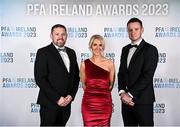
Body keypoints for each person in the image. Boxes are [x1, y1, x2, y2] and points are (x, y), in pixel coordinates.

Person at [34, 24, 80, 126]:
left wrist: (71, 95)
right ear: (51, 36)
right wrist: (57, 98)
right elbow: (40, 79)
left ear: (66, 36)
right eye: (57, 34)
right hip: (49, 104)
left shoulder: (72, 53)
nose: (60, 37)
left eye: (63, 34)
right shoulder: (43, 52)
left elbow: (76, 77)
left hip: (66, 105)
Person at [118, 17, 158, 126]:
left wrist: (130, 95)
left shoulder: (151, 49)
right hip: (126, 102)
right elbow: (121, 73)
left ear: (142, 30)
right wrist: (122, 93)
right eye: (130, 30)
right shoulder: (125, 49)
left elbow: (147, 76)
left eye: (136, 29)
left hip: (143, 101)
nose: (133, 32)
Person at [80, 34, 115, 126]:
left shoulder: (110, 64)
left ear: (103, 47)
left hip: (104, 104)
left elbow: (111, 85)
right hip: (88, 104)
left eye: (100, 45)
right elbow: (84, 84)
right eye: (95, 44)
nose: (97, 47)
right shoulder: (84, 64)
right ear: (91, 46)